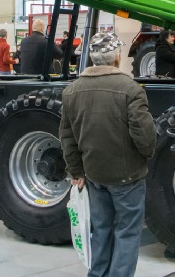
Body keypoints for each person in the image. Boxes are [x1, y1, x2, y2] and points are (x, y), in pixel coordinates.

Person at [59, 32, 156, 277]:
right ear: (117, 58)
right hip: (128, 177)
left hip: (94, 176)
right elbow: (144, 134)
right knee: (127, 232)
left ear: (92, 59)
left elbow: (67, 137)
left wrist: (76, 171)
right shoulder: (130, 89)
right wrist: (145, 156)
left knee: (100, 229)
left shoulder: (71, 91)